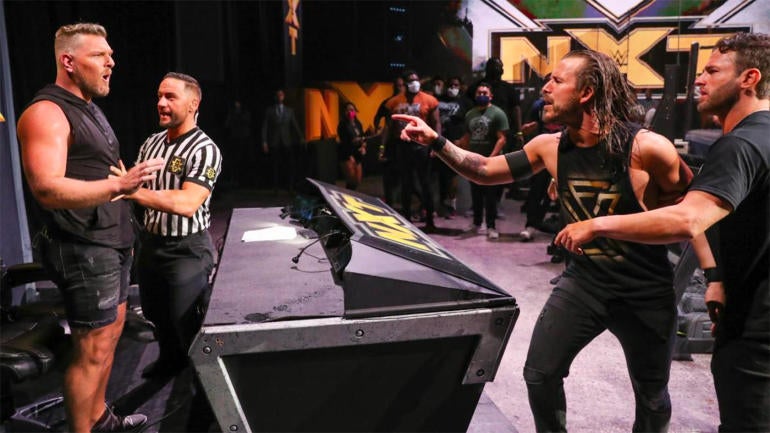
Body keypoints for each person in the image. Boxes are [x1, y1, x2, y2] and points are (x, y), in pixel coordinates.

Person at [393, 48, 717, 432]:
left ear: (586, 92)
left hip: (644, 290)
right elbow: (485, 170)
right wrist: (436, 141)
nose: (545, 88)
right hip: (584, 284)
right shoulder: (549, 146)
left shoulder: (648, 148)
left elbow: (692, 217)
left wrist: (714, 277)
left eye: (557, 81)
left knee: (652, 394)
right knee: (540, 375)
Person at [555, 32, 770, 432]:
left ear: (749, 78)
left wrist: (596, 224)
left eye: (712, 71)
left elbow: (687, 219)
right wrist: (717, 278)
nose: (699, 79)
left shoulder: (740, 146)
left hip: (757, 334)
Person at [17, 22, 164, 433]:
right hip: (83, 248)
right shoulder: (46, 113)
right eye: (100, 55)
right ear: (68, 61)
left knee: (111, 335)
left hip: (111, 242)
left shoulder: (88, 107)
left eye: (110, 54)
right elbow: (46, 188)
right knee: (91, 350)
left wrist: (128, 187)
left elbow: (100, 170)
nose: (111, 62)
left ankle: (100, 419)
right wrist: (119, 185)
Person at [384, 69, 441, 232]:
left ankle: (430, 220)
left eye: (416, 80)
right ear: (405, 83)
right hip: (402, 146)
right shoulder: (394, 102)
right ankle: (407, 219)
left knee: (425, 183)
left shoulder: (429, 100)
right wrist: (383, 147)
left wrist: (436, 144)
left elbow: (436, 123)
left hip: (422, 146)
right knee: (406, 184)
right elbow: (388, 127)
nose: (414, 83)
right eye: (411, 80)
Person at [456, 82, 508, 239]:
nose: (482, 95)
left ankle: (491, 226)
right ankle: (476, 223)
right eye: (479, 93)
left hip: (491, 162)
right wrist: (463, 153)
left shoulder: (498, 113)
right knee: (476, 194)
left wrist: (491, 158)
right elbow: (467, 137)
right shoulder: (470, 114)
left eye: (485, 93)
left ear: (491, 96)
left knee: (491, 196)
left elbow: (502, 139)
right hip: (474, 161)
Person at [436, 76, 472, 217]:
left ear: (460, 86)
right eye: (450, 85)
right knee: (440, 175)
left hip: (456, 142)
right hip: (440, 141)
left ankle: (452, 204)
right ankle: (441, 203)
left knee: (453, 175)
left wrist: (463, 140)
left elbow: (470, 123)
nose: (453, 88)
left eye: (456, 85)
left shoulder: (465, 102)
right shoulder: (438, 100)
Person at [261, 88, 304, 192]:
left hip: (286, 142)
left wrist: (301, 137)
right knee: (275, 165)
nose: (279, 97)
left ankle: (289, 186)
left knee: (289, 165)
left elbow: (295, 125)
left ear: (284, 97)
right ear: (275, 97)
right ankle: (275, 186)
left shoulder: (289, 111)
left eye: (281, 95)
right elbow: (265, 126)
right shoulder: (270, 110)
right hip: (274, 141)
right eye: (278, 95)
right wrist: (264, 141)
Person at [337, 102, 366, 190]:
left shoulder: (358, 123)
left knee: (358, 180)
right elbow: (344, 141)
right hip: (347, 154)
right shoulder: (342, 125)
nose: (350, 112)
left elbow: (363, 137)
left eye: (352, 110)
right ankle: (347, 196)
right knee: (351, 180)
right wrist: (350, 155)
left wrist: (363, 146)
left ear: (355, 111)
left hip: (357, 153)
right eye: (347, 110)